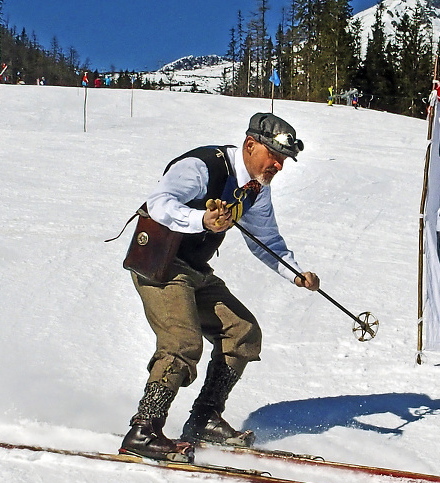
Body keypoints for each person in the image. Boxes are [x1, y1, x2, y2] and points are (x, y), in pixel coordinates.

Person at [120, 113, 320, 462]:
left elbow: (266, 241)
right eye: (273, 156)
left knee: (242, 331)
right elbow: (159, 203)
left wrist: (296, 273)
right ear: (249, 144)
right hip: (161, 264)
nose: (278, 165)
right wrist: (201, 219)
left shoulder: (256, 189)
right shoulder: (203, 167)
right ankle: (143, 430)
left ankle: (203, 419)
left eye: (283, 160)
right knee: (181, 343)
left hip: (195, 269)